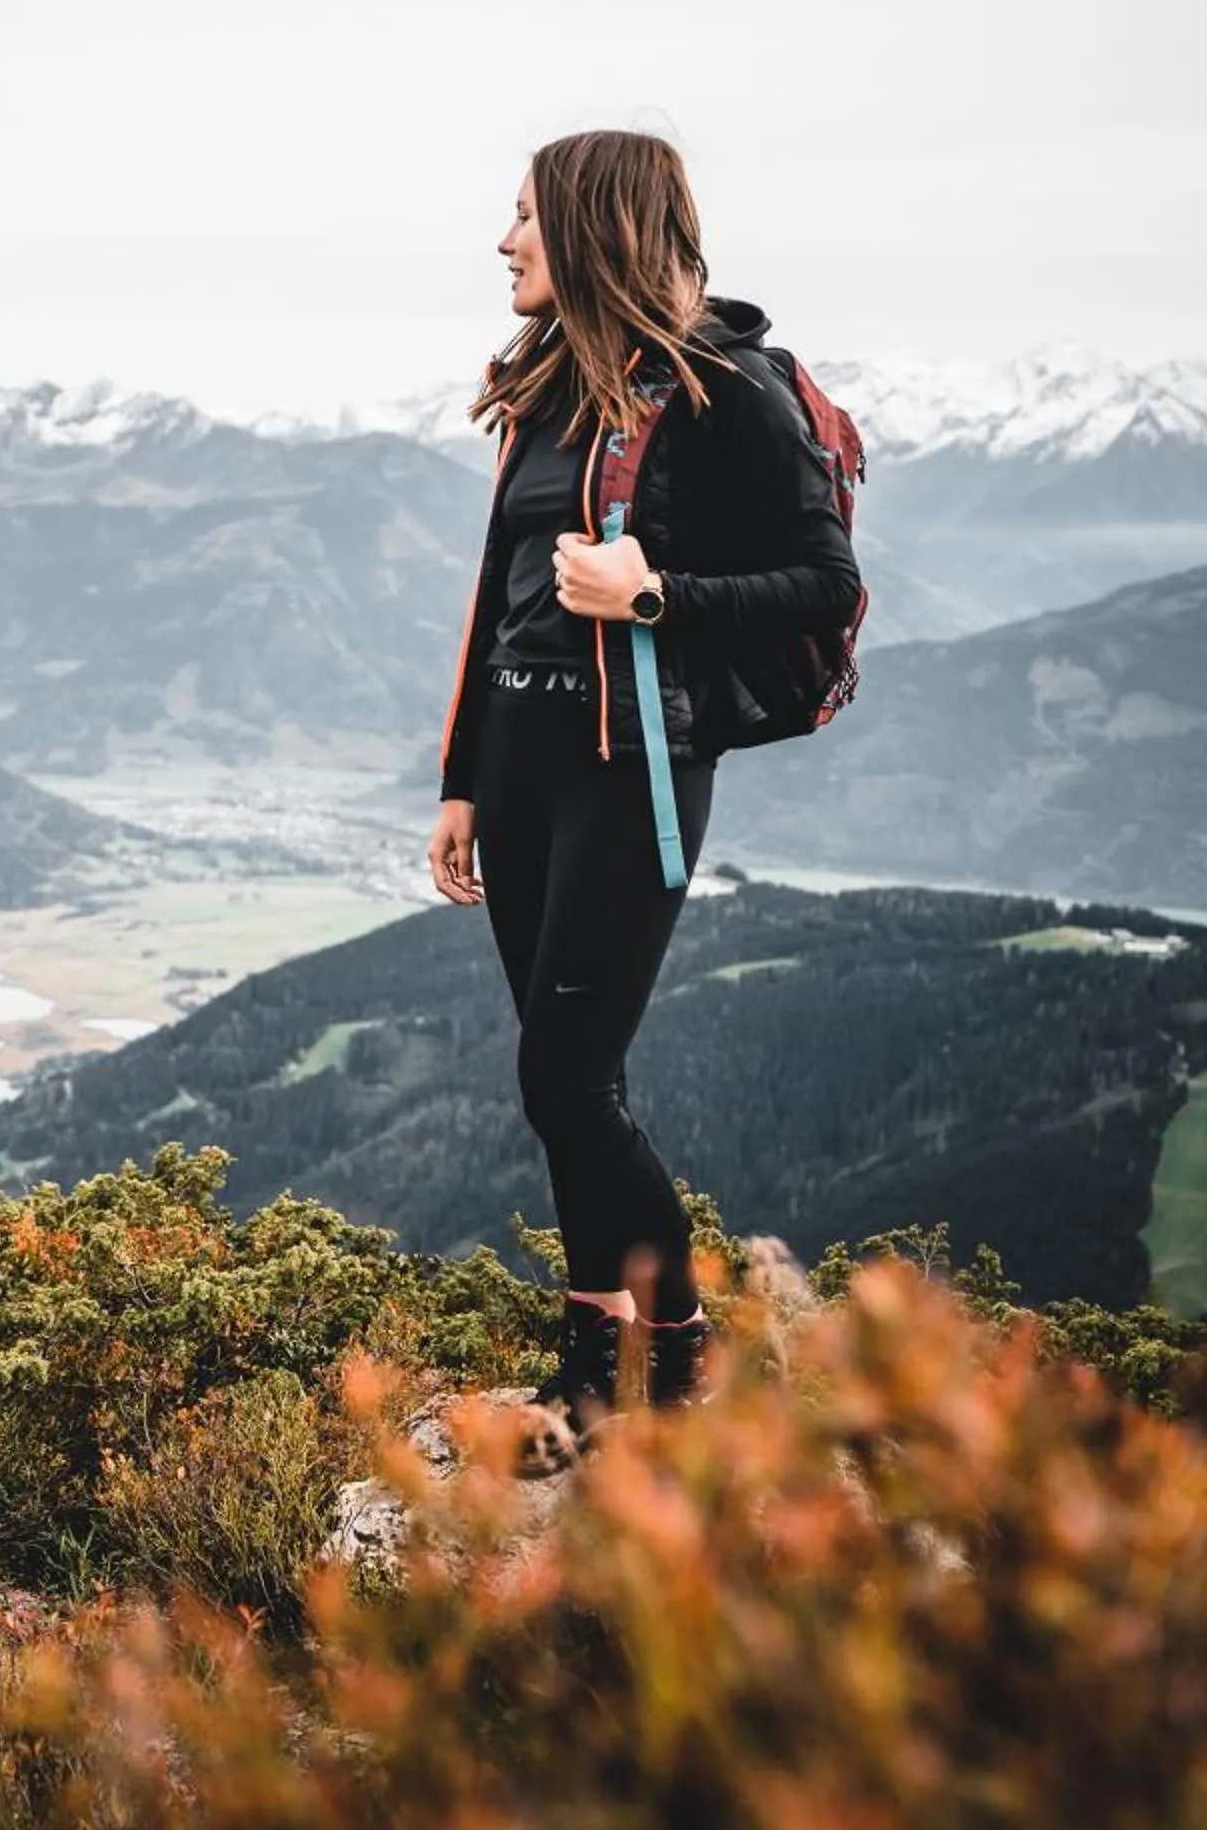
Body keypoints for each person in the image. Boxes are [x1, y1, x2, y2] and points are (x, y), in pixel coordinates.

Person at [425, 130, 861, 1450]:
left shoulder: (729, 389)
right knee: (559, 1082)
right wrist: (459, 785)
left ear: (593, 228)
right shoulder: (546, 392)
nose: (503, 243)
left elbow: (824, 583)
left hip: (635, 775)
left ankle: (674, 1366)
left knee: (570, 1081)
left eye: (525, 220)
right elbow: (498, 608)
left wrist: (654, 593)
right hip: (518, 765)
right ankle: (584, 1371)